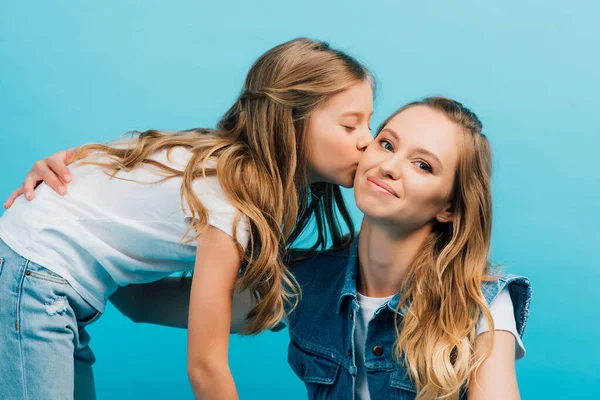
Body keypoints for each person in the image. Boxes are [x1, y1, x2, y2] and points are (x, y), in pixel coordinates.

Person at [16, 97, 531, 399]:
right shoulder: (304, 281)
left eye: (424, 165)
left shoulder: (482, 302)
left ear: (448, 207)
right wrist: (78, 197)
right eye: (388, 143)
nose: (392, 165)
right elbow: (139, 301)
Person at [0, 38, 375, 400]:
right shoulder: (231, 200)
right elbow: (205, 366)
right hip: (36, 276)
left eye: (369, 125)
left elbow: (138, 302)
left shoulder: (214, 170)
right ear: (290, 122)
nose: (367, 141)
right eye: (350, 125)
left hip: (45, 279)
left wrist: (270, 303)